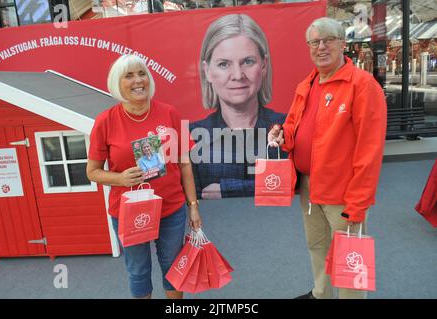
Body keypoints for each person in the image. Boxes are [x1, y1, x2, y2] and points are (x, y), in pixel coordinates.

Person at [268, 17, 386, 299]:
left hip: (343, 191)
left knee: (350, 258)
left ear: (343, 44)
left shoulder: (363, 85)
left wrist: (359, 202)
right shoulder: (306, 84)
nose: (320, 47)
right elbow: (294, 126)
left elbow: (370, 151)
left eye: (327, 40)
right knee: (317, 244)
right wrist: (282, 133)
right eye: (314, 42)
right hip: (309, 186)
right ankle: (321, 293)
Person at [86, 54, 202, 299]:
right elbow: (92, 171)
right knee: (138, 272)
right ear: (118, 83)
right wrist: (121, 179)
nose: (138, 80)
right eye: (129, 75)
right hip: (130, 212)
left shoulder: (171, 113)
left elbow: (185, 165)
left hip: (171, 208)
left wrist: (193, 206)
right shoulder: (104, 121)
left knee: (173, 268)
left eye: (142, 74)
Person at [190, 13, 286, 199]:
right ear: (207, 71)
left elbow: (293, 185)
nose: (237, 75)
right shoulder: (193, 136)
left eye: (248, 61)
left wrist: (225, 189)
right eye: (224, 64)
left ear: (264, 65)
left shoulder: (288, 126)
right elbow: (191, 196)